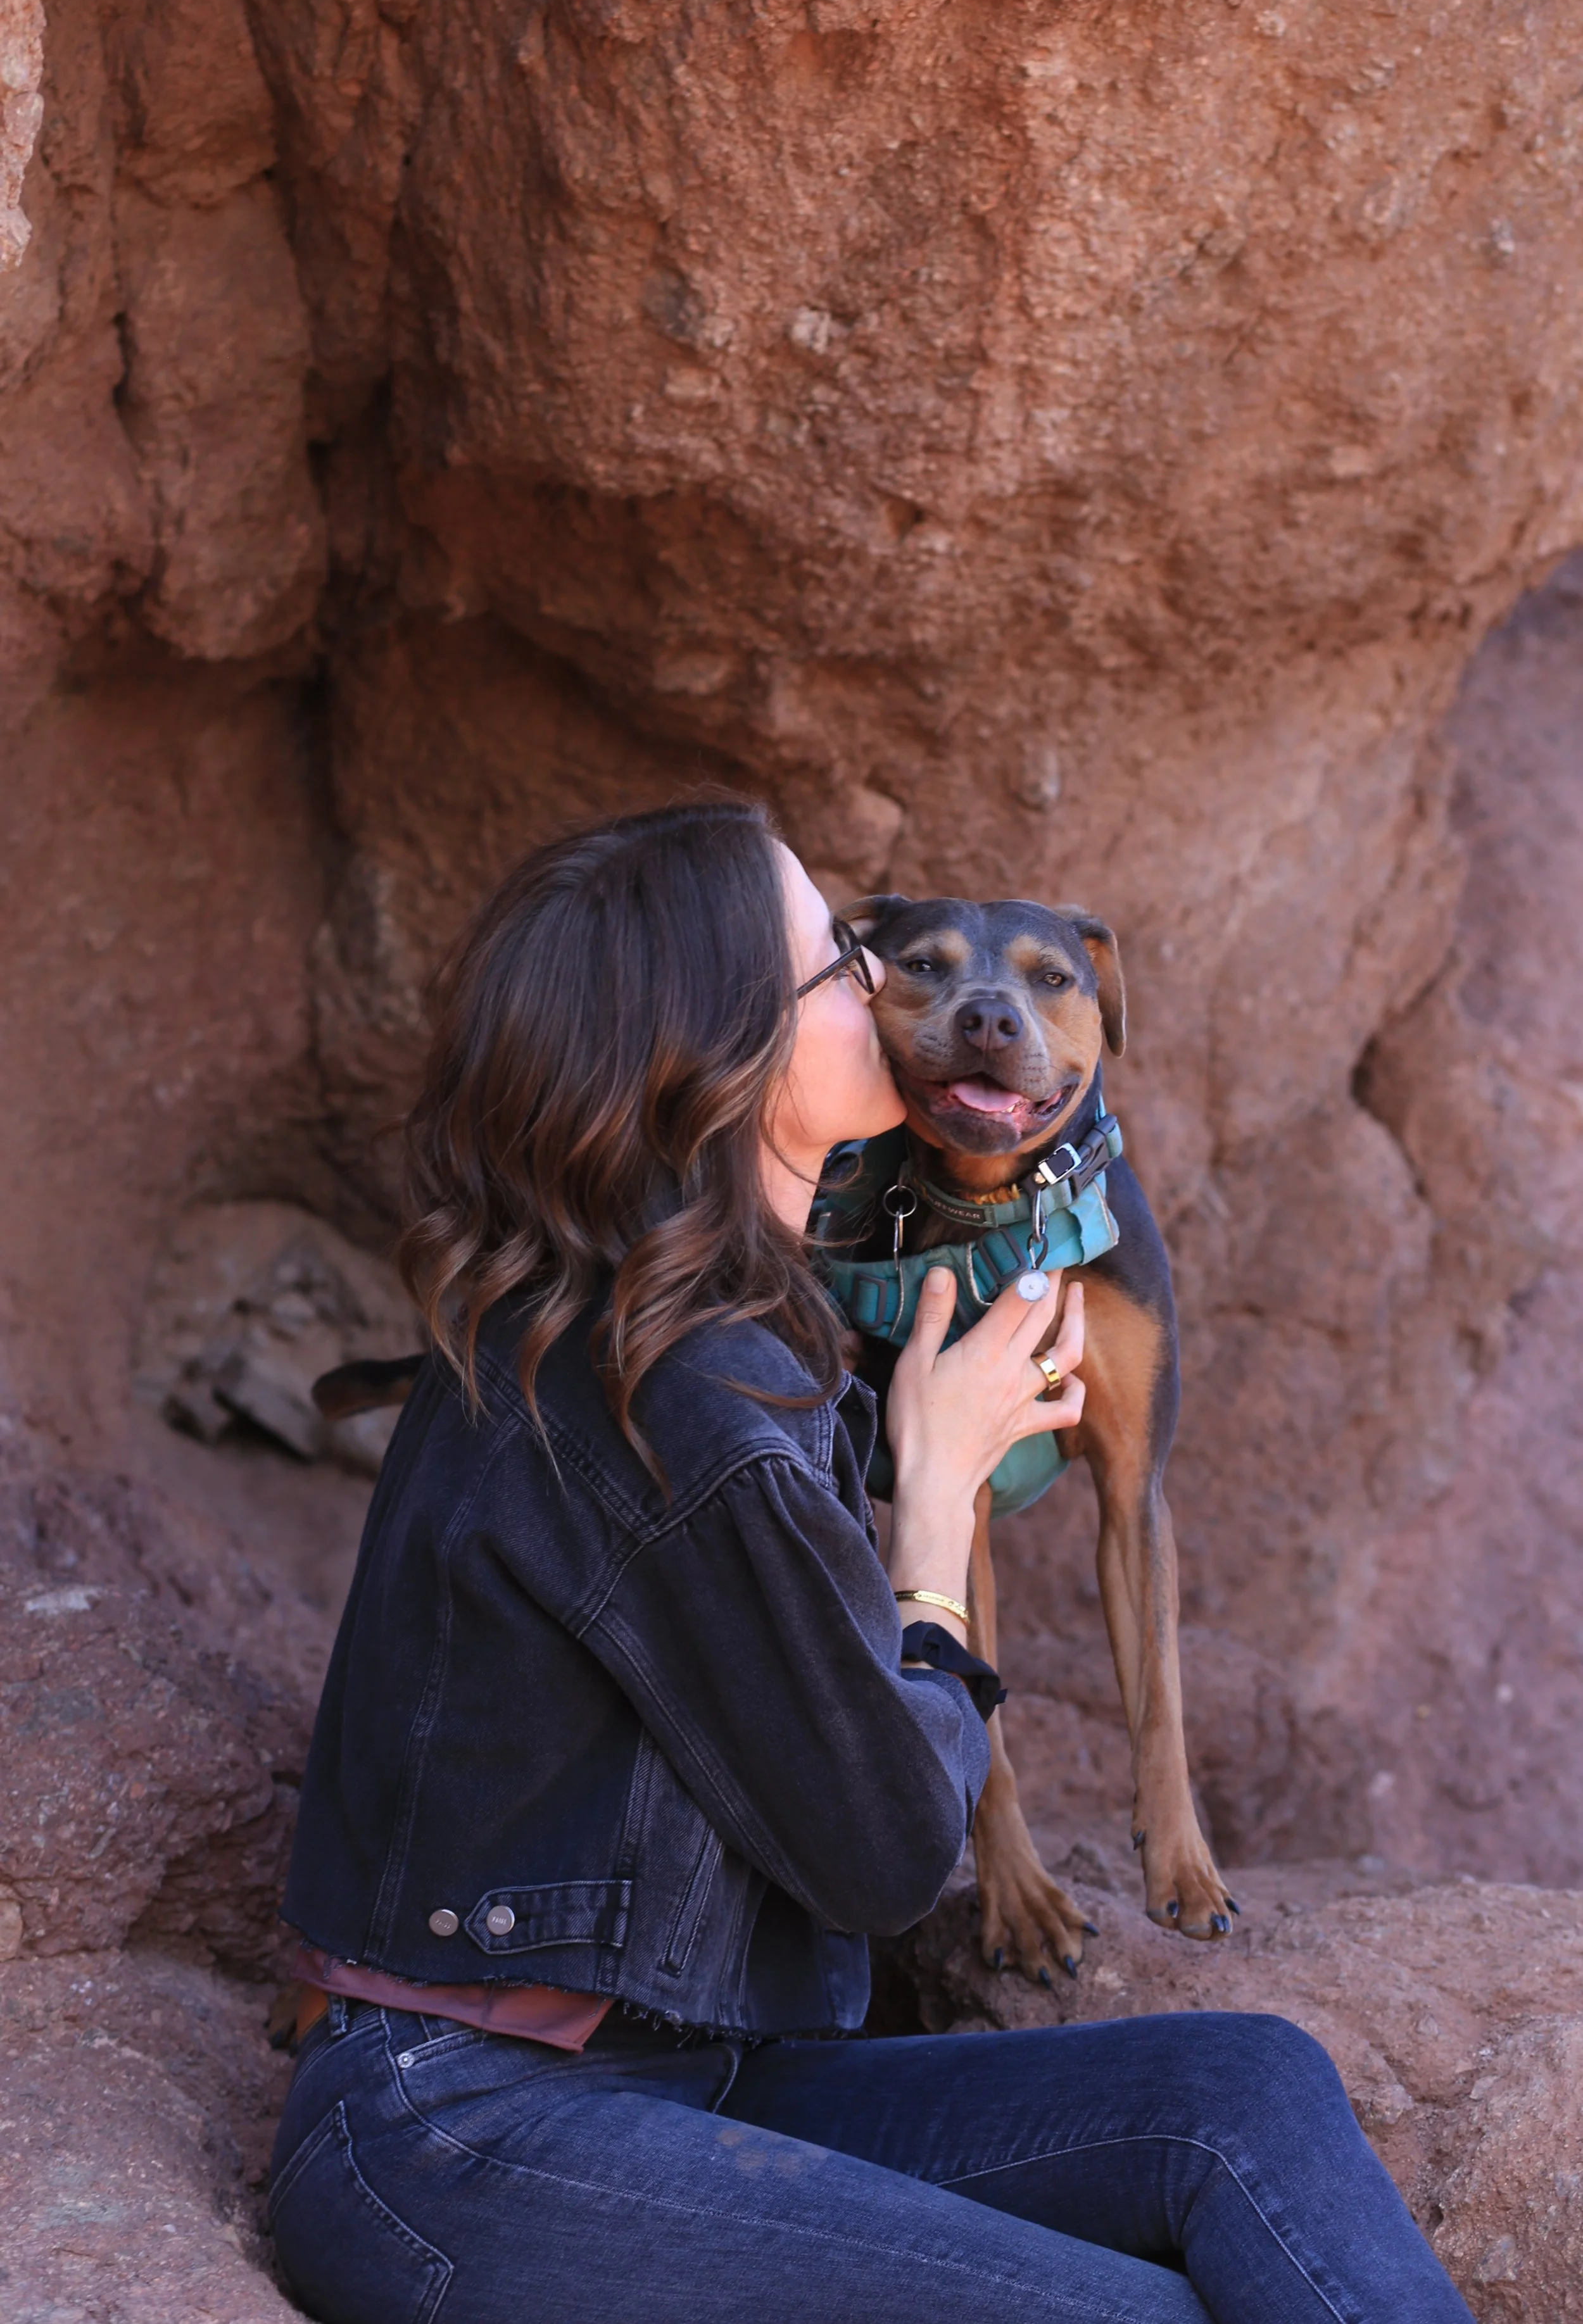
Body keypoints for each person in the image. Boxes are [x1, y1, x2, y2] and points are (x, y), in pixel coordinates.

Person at [268, 798, 1473, 2324]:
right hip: (465, 2127)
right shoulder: (661, 1389)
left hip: (702, 2074)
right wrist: (936, 1508)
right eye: (840, 964)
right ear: (717, 1049)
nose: (895, 991)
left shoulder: (725, 1333)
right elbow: (889, 1852)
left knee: (1241, 2086)